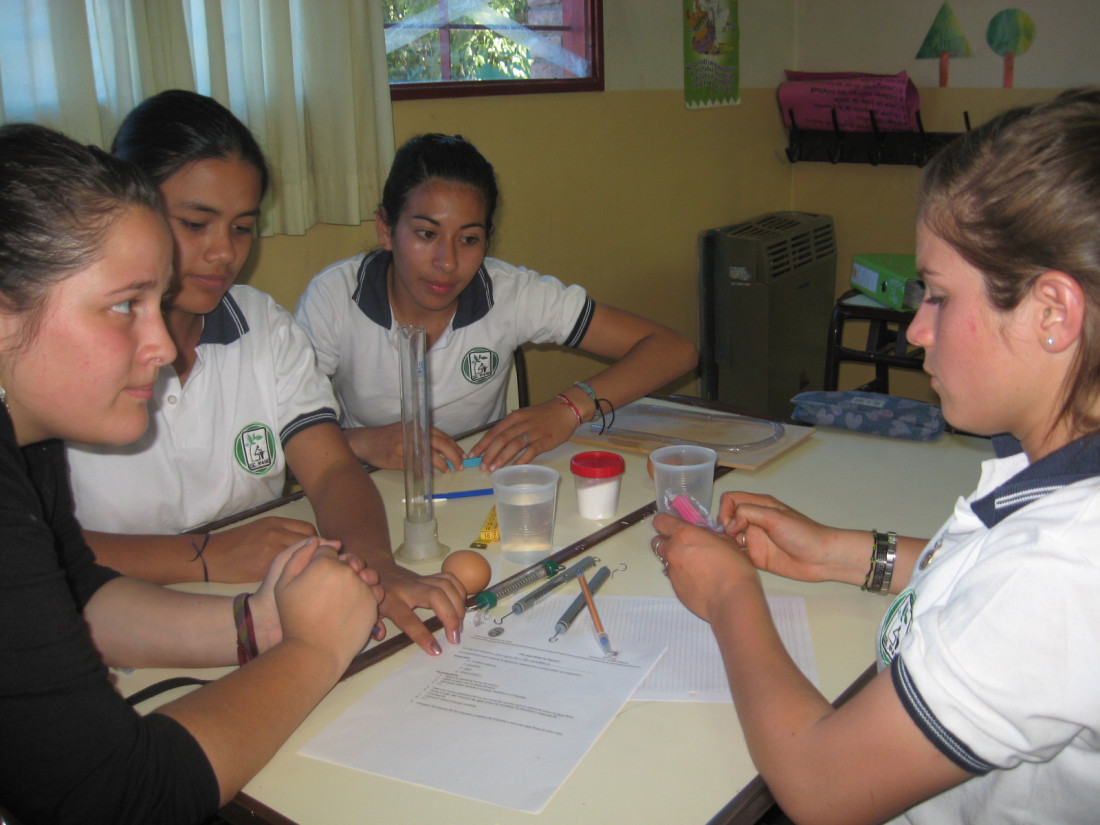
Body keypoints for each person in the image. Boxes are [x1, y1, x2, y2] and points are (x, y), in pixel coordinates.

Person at [650, 89, 1100, 824]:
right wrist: (844, 552)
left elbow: (820, 786)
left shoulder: (1068, 570)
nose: (917, 329)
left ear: (1053, 312)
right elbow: (992, 586)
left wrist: (731, 594)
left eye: (939, 297)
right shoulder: (1062, 461)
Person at [0, 123, 381, 825]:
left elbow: (78, 586)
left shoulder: (30, 439)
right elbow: (115, 796)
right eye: (124, 305)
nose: (158, 343)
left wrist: (255, 622)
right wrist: (312, 648)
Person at [65, 91, 463, 656]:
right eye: (196, 223)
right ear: (127, 209)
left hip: (265, 602)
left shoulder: (262, 326)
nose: (223, 253)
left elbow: (329, 472)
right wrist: (208, 553)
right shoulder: (66, 349)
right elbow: (40, 546)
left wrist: (375, 562)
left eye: (242, 227)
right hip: (113, 621)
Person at [294, 133, 698, 472]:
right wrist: (362, 444)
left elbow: (674, 351)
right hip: (371, 489)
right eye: (425, 234)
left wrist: (567, 408)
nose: (447, 262)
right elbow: (283, 434)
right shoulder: (334, 298)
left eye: (468, 239)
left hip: (479, 487)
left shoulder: (509, 293)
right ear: (386, 229)